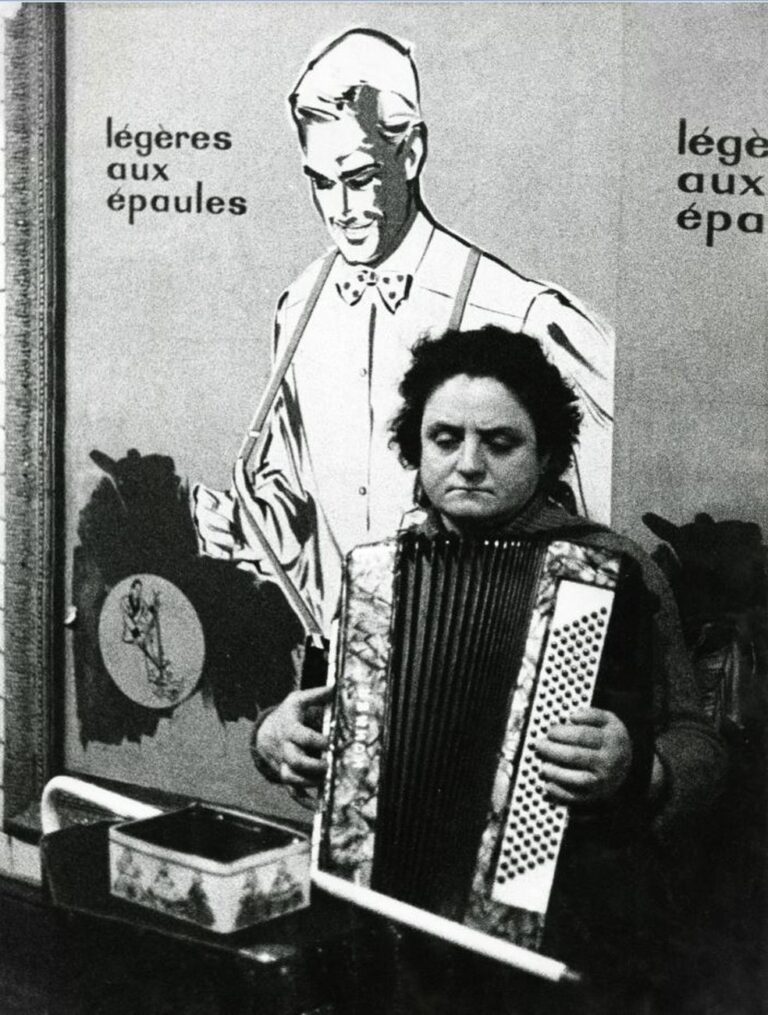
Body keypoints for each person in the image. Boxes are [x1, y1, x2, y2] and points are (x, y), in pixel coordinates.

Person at [253, 325, 726, 1005]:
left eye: (499, 442)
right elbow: (314, 728)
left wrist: (642, 768)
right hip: (388, 917)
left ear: (548, 454)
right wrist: (272, 737)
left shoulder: (613, 570)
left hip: (556, 924)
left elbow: (702, 746)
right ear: (415, 446)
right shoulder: (373, 572)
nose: (469, 463)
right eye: (445, 438)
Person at [193, 28, 615, 632]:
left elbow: (596, 542)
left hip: (496, 665)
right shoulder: (298, 309)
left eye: (360, 177)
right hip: (344, 670)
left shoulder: (523, 314)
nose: (341, 208)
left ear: (410, 153)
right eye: (321, 182)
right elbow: (302, 508)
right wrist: (250, 526)